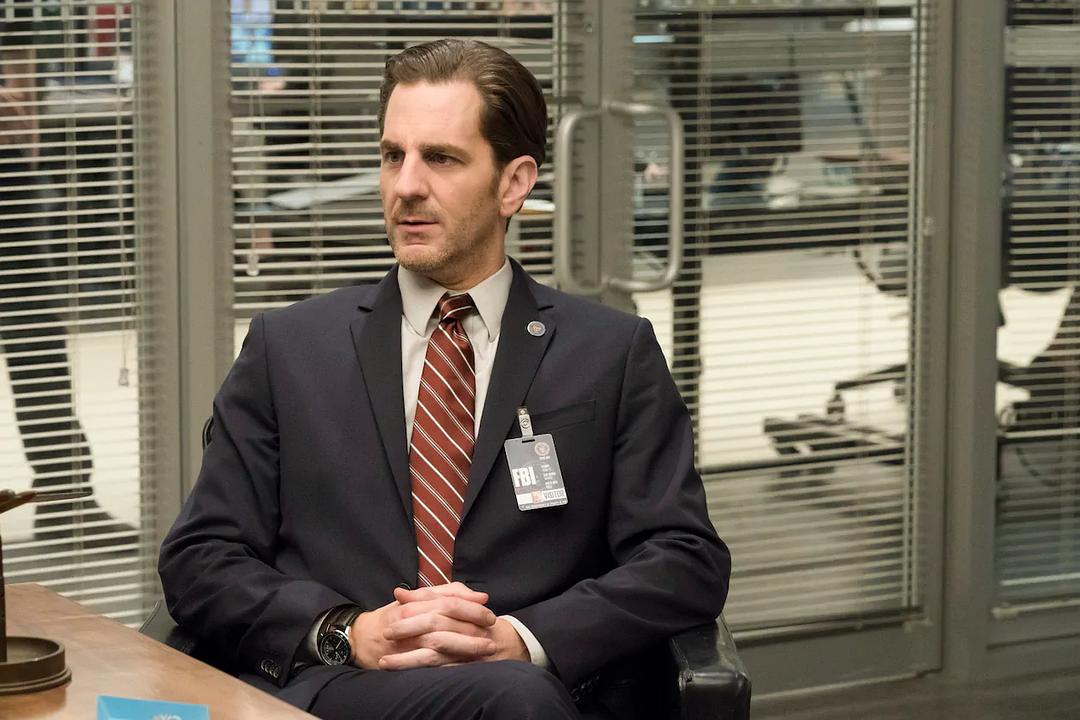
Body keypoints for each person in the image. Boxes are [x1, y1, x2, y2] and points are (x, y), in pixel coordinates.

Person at [159, 38, 730, 720]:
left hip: (537, 693)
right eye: (392, 156)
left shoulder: (610, 352)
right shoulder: (288, 349)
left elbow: (684, 557)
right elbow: (201, 557)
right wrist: (347, 631)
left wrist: (523, 640)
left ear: (513, 183)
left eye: (440, 158)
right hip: (346, 693)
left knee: (515, 695)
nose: (405, 186)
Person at [1, 2, 129, 545]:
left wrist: (25, 136)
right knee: (37, 344)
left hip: (14, 180)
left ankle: (65, 500)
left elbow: (21, 76)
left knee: (38, 345)